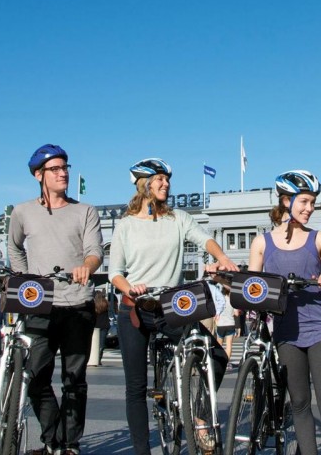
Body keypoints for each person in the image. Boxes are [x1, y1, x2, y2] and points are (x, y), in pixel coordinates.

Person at [109, 158, 238, 455]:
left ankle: (198, 413)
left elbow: (205, 239)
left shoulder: (177, 218)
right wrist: (130, 287)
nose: (166, 183)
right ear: (144, 185)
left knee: (215, 355)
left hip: (171, 306)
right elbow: (115, 271)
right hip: (135, 307)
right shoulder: (125, 226)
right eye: (159, 179)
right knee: (135, 388)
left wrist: (223, 258)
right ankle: (142, 450)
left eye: (167, 179)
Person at [8, 144, 104, 455]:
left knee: (74, 380)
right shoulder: (22, 212)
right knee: (35, 377)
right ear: (39, 175)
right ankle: (53, 441)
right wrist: (25, 280)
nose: (63, 173)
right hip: (40, 306)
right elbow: (14, 248)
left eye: (65, 167)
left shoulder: (85, 211)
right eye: (55, 169)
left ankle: (70, 445)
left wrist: (85, 268)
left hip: (77, 304)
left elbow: (95, 252)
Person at [249, 170, 321, 455]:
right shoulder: (261, 243)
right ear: (285, 200)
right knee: (301, 401)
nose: (310, 208)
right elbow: (251, 287)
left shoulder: (320, 239)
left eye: (313, 202)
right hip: (286, 331)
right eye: (304, 201)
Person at [215, 284, 237, 362]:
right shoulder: (232, 300)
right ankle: (226, 362)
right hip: (230, 323)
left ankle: (218, 362)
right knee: (229, 345)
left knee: (219, 345)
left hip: (220, 324)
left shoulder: (219, 300)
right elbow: (236, 313)